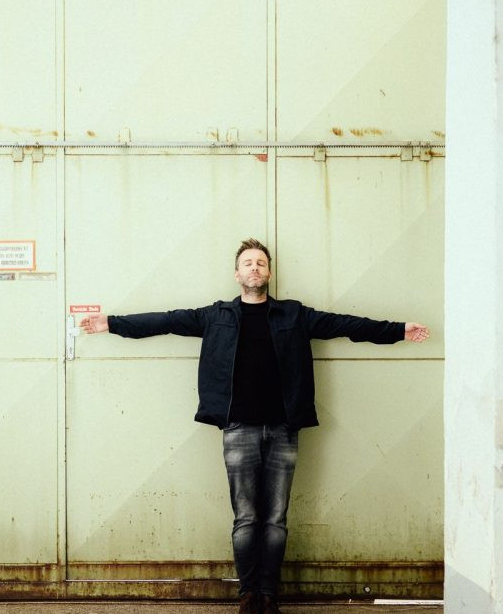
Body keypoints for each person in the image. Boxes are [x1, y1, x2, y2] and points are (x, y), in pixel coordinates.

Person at [79, 238, 430, 614]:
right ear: (237, 274)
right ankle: (248, 595)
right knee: (246, 517)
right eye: (247, 263)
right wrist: (110, 323)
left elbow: (345, 325)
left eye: (260, 263)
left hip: (283, 429)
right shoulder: (216, 316)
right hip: (238, 429)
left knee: (276, 519)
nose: (254, 267)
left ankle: (269, 594)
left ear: (269, 273)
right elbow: (164, 321)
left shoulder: (294, 314)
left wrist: (398, 330)